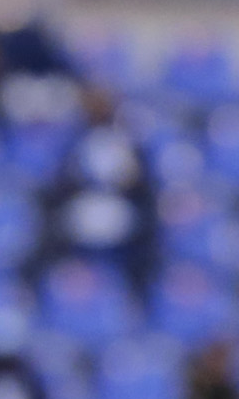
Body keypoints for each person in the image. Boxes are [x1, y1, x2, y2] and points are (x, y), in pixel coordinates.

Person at [35, 82, 157, 299]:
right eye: (92, 105)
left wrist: (127, 181)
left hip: (122, 223)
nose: (98, 110)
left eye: (103, 104)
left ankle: (133, 297)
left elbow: (142, 188)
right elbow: (59, 186)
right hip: (79, 221)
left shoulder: (130, 144)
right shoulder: (72, 144)